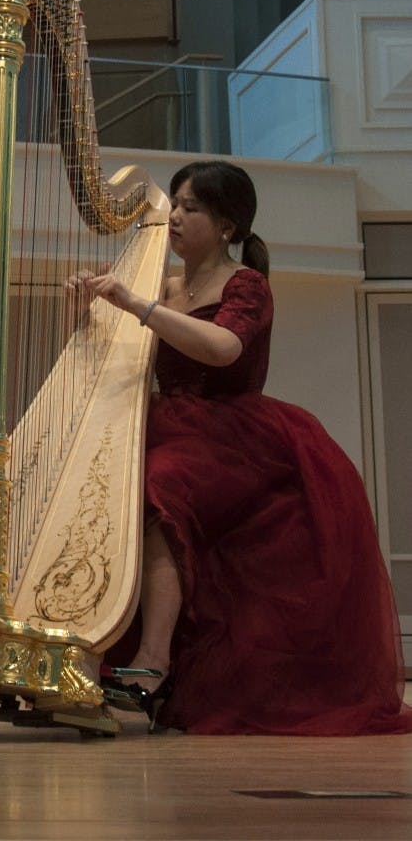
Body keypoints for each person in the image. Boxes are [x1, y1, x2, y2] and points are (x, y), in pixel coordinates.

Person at [71, 159, 412, 736]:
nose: (173, 216)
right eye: (173, 204)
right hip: (164, 420)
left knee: (161, 488)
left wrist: (139, 307)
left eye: (191, 207)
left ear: (227, 227)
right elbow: (102, 356)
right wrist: (82, 306)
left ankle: (152, 662)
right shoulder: (159, 280)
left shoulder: (243, 284)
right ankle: (81, 654)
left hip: (234, 432)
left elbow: (225, 348)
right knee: (95, 488)